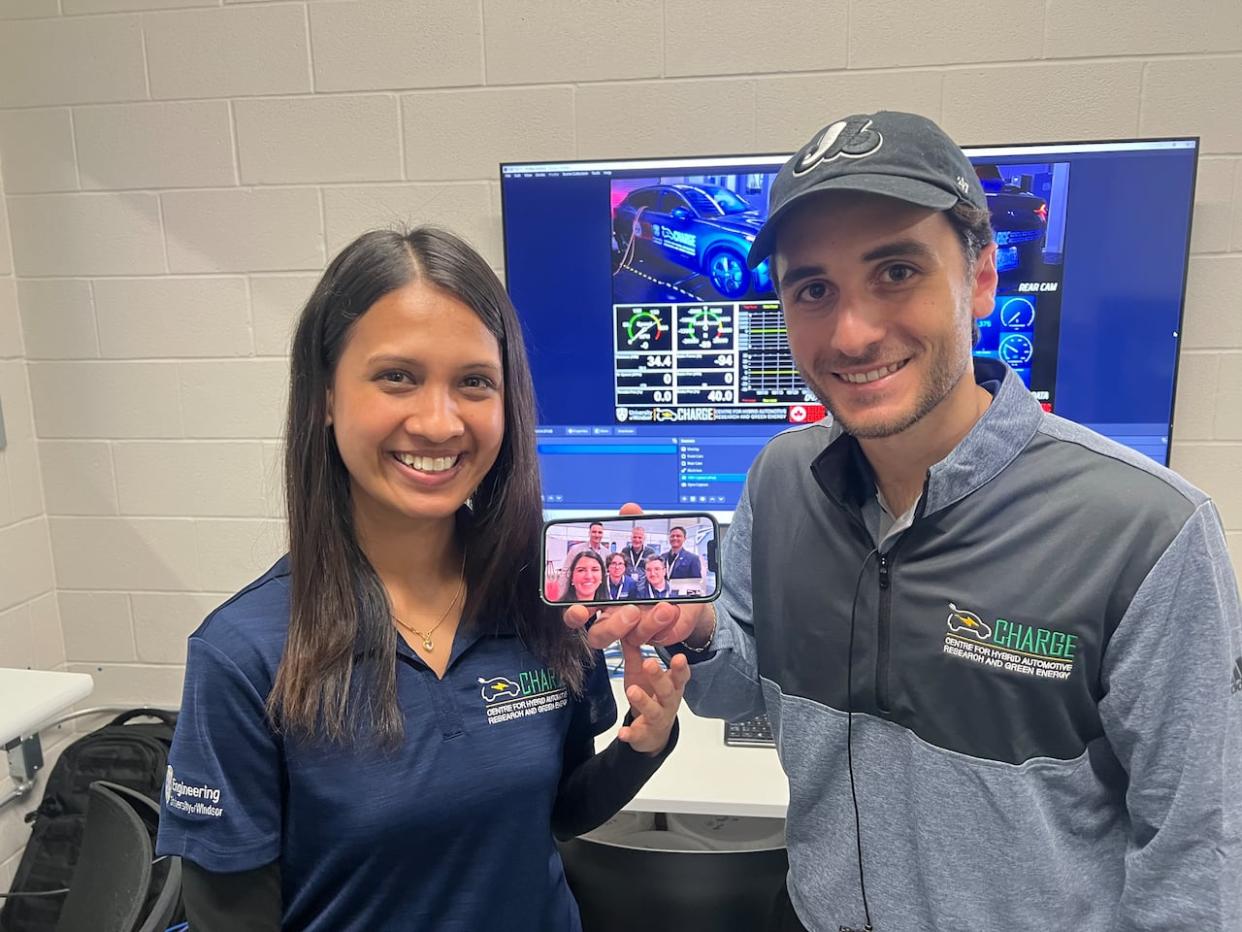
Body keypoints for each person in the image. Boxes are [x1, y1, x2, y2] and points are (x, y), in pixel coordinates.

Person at [567, 112, 1242, 931]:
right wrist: (699, 633)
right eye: (814, 289)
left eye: (896, 272)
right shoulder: (783, 481)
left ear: (983, 279)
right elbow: (733, 690)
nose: (852, 333)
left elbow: (1198, 863)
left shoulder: (1147, 534)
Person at [156, 227, 690, 932]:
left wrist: (643, 741)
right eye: (397, 377)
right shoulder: (244, 653)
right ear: (324, 395)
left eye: (474, 382)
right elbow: (231, 917)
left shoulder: (541, 598)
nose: (440, 423)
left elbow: (557, 812)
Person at [557, 521, 608, 598]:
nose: (597, 535)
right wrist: (560, 594)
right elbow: (565, 572)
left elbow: (605, 575)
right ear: (589, 533)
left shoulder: (607, 553)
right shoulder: (575, 549)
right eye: (594, 532)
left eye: (600, 532)